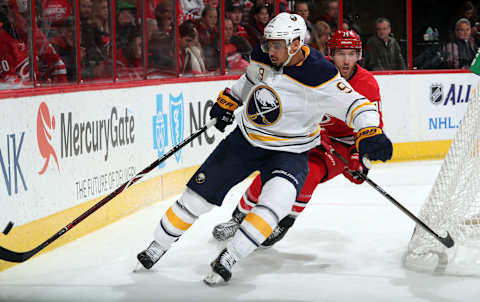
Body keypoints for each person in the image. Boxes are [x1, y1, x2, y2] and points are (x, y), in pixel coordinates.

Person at [135, 13, 392, 286]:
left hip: (290, 152)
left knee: (274, 205)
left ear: (295, 44)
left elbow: (358, 105)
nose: (271, 50)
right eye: (268, 43)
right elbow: (248, 79)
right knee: (196, 198)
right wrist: (230, 100)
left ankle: (230, 257)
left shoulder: (320, 73)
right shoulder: (263, 55)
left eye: (277, 45)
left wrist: (369, 131)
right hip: (245, 142)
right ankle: (157, 246)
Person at [212, 29, 384, 248]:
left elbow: (372, 126)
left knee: (310, 173)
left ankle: (283, 222)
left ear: (359, 55)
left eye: (351, 53)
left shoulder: (367, 83)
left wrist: (361, 158)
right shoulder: (316, 71)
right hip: (307, 134)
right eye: (341, 53)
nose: (346, 60)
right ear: (331, 53)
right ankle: (238, 218)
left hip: (341, 144)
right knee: (273, 170)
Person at [0, 0, 67, 86]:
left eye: (34, 15)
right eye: (25, 15)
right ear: (10, 13)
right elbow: (8, 82)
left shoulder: (32, 30)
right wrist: (37, 87)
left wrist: (61, 89)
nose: (32, 20)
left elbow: (56, 63)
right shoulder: (2, 39)